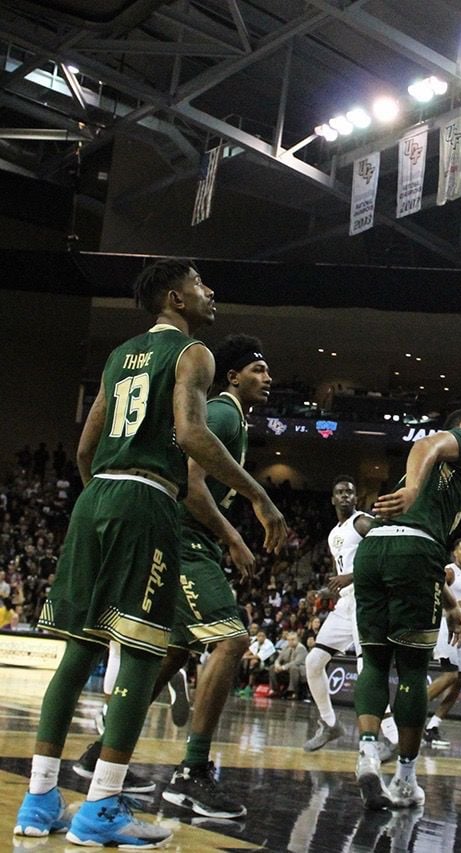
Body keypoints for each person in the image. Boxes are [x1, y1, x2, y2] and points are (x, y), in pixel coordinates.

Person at [13, 259, 286, 846]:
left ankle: (38, 803)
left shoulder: (119, 355)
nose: (208, 292)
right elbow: (189, 435)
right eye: (199, 284)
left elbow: (85, 447)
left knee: (77, 654)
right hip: (145, 501)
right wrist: (259, 496)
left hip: (98, 500)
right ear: (174, 297)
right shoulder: (194, 354)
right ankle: (101, 808)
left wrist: (105, 499)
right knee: (140, 657)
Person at [74, 333, 279, 821]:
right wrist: (232, 534)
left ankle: (100, 750)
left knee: (173, 650)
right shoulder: (225, 414)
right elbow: (189, 483)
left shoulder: (232, 418)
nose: (267, 378)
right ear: (233, 376)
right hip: (183, 540)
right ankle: (192, 774)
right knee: (230, 640)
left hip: (174, 537)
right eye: (258, 370)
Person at [352, 410, 461, 812]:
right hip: (413, 549)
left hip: (376, 548)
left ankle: (366, 752)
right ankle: (404, 781)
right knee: (412, 669)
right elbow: (425, 444)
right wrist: (413, 488)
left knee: (376, 661)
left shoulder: (445, 480)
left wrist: (450, 605)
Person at [303, 475, 373, 753]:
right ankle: (330, 724)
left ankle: (387, 736)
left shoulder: (363, 522)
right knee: (314, 661)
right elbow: (340, 575)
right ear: (332, 499)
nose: (345, 496)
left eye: (350, 492)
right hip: (345, 603)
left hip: (365, 599)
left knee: (365, 669)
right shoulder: (335, 533)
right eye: (340, 492)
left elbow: (385, 557)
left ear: (356, 498)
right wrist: (323, 592)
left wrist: (351, 577)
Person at [423, 537, 461, 749]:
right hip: (444, 626)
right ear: (454, 552)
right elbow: (432, 594)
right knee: (450, 674)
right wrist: (458, 605)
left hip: (460, 630)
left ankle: (433, 726)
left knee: (459, 680)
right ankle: (409, 714)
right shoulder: (449, 571)